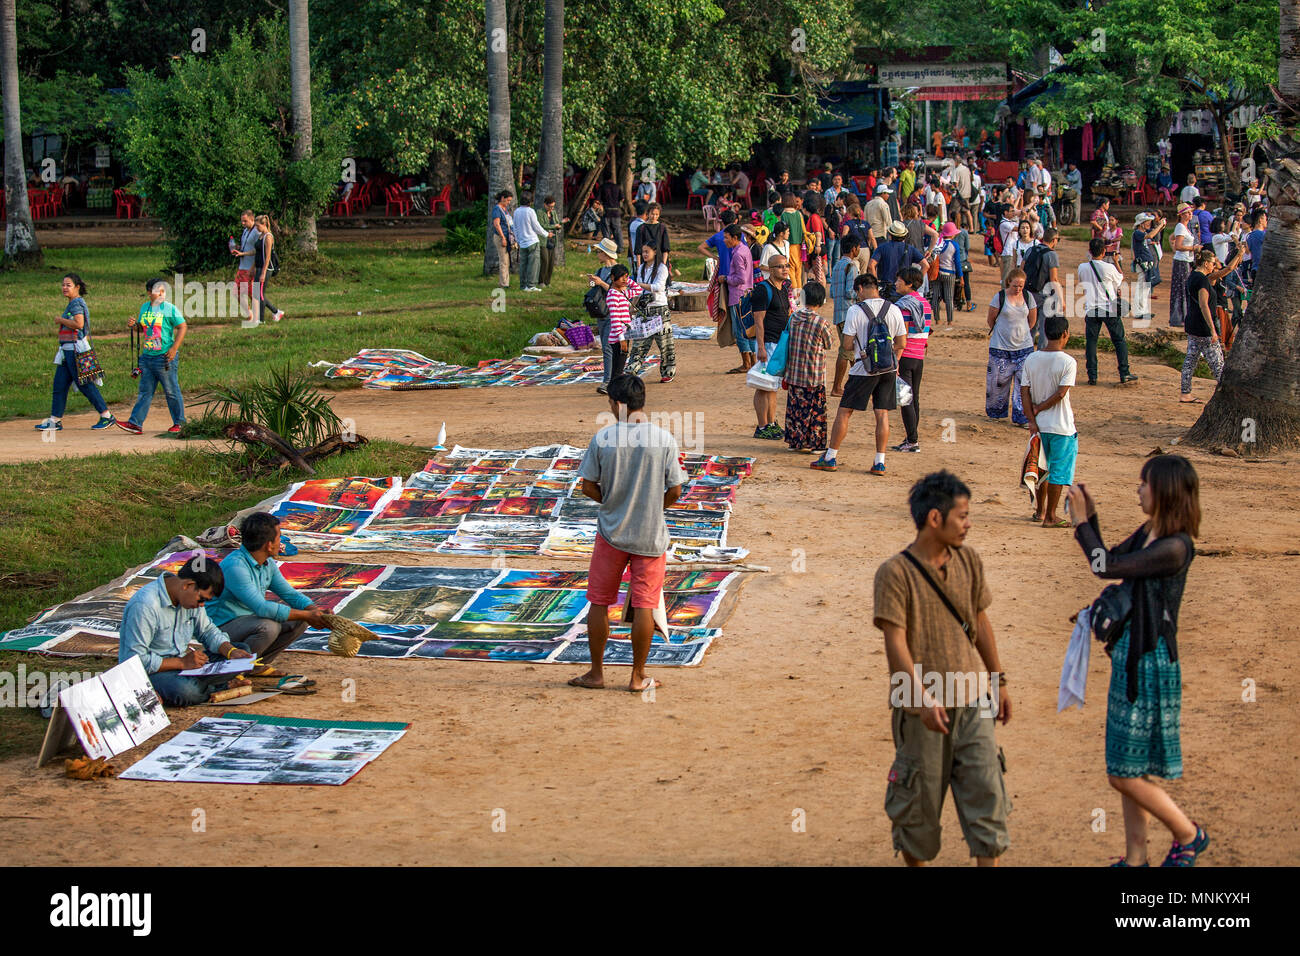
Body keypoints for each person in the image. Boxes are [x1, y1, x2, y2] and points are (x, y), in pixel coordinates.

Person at [1065, 455, 1208, 867]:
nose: (1139, 489)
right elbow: (1110, 559)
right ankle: (1135, 859)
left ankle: (1187, 833)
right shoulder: (1150, 534)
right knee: (1132, 766)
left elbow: (1103, 566)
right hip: (1131, 656)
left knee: (1121, 773)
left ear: (1164, 490)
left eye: (1144, 483)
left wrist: (1079, 525)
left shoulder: (1175, 547)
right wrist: (1091, 518)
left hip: (1150, 662)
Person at [874, 470, 1011, 866]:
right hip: (919, 710)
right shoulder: (894, 573)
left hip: (973, 704)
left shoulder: (970, 561)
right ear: (935, 518)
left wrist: (998, 680)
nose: (969, 524)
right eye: (963, 515)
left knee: (988, 803)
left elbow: (980, 621)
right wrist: (921, 697)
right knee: (916, 812)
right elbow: (895, 643)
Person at [568, 374, 687, 694]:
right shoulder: (664, 440)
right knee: (646, 604)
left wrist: (614, 501)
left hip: (611, 533)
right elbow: (675, 489)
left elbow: (589, 486)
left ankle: (596, 673)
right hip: (650, 534)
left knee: (599, 602)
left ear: (618, 404)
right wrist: (653, 506)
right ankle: (637, 676)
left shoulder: (603, 439)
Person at [118, 555, 255, 706]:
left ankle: (205, 686)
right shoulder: (145, 605)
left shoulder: (190, 600)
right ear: (187, 585)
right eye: (201, 599)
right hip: (154, 672)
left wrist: (230, 651)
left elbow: (207, 631)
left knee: (242, 651)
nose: (202, 606)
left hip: (184, 667)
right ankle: (218, 687)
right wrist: (181, 663)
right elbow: (133, 661)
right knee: (185, 691)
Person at [206, 512, 330, 677]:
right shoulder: (235, 567)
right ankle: (233, 670)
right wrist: (309, 614)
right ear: (269, 545)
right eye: (279, 537)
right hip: (222, 627)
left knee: (301, 620)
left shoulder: (267, 563)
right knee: (269, 627)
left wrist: (314, 612)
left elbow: (289, 594)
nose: (281, 542)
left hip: (247, 621)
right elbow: (262, 608)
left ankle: (255, 665)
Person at [811, 273, 907, 475]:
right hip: (888, 368)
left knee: (845, 412)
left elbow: (846, 344)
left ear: (861, 288)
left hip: (863, 369)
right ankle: (879, 461)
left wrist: (861, 354)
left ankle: (831, 456)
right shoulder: (894, 309)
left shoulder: (855, 310)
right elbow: (901, 343)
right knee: (882, 414)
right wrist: (889, 357)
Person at [36, 274, 117, 433]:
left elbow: (79, 324)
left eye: (68, 285)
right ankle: (55, 420)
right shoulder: (75, 303)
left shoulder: (75, 304)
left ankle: (106, 415)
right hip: (67, 352)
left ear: (77, 287)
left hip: (74, 351)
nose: (64, 288)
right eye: (63, 285)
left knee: (85, 384)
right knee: (59, 385)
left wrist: (60, 320)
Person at [1019, 314, 1077, 526]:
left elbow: (1024, 392)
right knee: (1058, 472)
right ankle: (1051, 516)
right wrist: (1040, 407)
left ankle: (1041, 511)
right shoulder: (1068, 362)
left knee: (1041, 468)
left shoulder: (1031, 359)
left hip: (1039, 425)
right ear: (1065, 334)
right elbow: (1061, 393)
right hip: (1062, 426)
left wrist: (1032, 419)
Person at [117, 278, 187, 435]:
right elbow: (143, 329)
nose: (161, 294)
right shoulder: (145, 307)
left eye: (163, 290)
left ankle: (180, 423)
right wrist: (135, 325)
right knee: (145, 391)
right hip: (147, 357)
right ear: (149, 293)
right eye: (157, 291)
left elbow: (182, 326)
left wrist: (174, 348)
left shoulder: (169, 309)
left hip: (164, 357)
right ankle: (135, 423)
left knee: (171, 391)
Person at [782, 281, 835, 453]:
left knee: (795, 409)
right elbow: (829, 344)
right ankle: (815, 443)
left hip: (794, 373)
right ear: (821, 301)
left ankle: (795, 441)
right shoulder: (821, 322)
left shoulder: (794, 317)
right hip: (814, 374)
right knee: (815, 410)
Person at [1078, 237, 1137, 386]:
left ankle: (1092, 375)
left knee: (1091, 342)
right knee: (1119, 340)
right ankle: (1124, 372)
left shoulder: (1082, 267)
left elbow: (1082, 281)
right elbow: (1119, 280)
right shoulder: (1109, 268)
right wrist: (1116, 261)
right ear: (1104, 251)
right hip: (1108, 308)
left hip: (1091, 308)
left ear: (1089, 251)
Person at [1179, 248, 1235, 403]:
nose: (1214, 265)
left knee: (1190, 359)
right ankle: (1227, 395)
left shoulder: (1193, 276)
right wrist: (1212, 329)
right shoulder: (1202, 280)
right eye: (1212, 263)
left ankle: (1185, 392)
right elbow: (1204, 305)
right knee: (1217, 362)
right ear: (1205, 263)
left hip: (1192, 323)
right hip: (1203, 326)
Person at [985, 269, 1039, 426]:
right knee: (998, 382)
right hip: (1000, 347)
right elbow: (991, 319)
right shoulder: (999, 297)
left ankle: (1022, 416)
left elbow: (1032, 320)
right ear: (1009, 282)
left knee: (1024, 384)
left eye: (1021, 286)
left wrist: (1022, 333)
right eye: (1015, 285)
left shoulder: (1028, 298)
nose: (1018, 289)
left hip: (1024, 348)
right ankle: (996, 413)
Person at [751, 252, 793, 439]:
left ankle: (771, 422)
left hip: (780, 343)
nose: (785, 269)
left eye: (786, 266)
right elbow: (758, 321)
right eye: (780, 266)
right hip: (767, 342)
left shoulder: (784, 288)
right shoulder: (762, 289)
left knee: (773, 385)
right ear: (770, 269)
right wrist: (760, 347)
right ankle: (762, 426)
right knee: (763, 385)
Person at [893, 267, 931, 453]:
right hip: (919, 356)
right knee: (914, 397)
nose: (895, 283)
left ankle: (912, 440)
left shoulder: (903, 305)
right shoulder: (925, 303)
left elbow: (903, 335)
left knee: (905, 399)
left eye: (899, 280)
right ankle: (911, 437)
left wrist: (896, 361)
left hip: (906, 356)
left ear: (909, 284)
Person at [627, 243, 677, 384]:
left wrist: (639, 285)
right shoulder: (642, 268)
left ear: (655, 252)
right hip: (644, 308)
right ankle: (632, 368)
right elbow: (638, 290)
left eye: (647, 252)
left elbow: (658, 287)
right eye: (643, 252)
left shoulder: (662, 268)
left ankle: (668, 371)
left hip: (659, 309)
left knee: (665, 343)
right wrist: (633, 305)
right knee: (639, 342)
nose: (644, 255)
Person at [585, 238, 621, 394]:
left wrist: (600, 283)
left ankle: (608, 382)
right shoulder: (601, 271)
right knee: (608, 348)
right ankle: (612, 379)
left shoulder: (619, 271)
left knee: (608, 347)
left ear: (606, 254)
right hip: (601, 312)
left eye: (599, 251)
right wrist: (593, 282)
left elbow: (619, 291)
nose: (597, 254)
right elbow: (598, 289)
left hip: (613, 313)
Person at [721, 222, 756, 375]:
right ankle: (753, 361)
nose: (724, 240)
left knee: (740, 331)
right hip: (747, 293)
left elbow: (740, 278)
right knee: (748, 328)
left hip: (738, 295)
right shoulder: (745, 249)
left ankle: (746, 363)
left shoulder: (737, 254)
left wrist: (726, 279)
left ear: (735, 238)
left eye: (726, 237)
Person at [603, 265, 640, 387]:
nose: (624, 280)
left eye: (626, 277)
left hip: (624, 334)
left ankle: (612, 389)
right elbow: (615, 319)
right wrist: (622, 340)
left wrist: (626, 279)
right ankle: (614, 390)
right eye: (621, 278)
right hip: (618, 337)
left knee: (619, 367)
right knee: (618, 369)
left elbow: (638, 290)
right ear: (613, 277)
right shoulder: (613, 295)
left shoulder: (622, 292)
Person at [871, 221, 926, 300]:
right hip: (905, 289)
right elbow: (926, 265)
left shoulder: (882, 247)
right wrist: (915, 281)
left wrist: (876, 283)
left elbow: (871, 265)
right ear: (904, 236)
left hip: (887, 289)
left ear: (890, 235)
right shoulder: (910, 248)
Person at [512, 191, 550, 292]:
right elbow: (536, 226)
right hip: (532, 241)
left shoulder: (516, 211)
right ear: (530, 201)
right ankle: (531, 285)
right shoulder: (530, 211)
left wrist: (517, 239)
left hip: (522, 242)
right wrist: (546, 234)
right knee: (533, 265)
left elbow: (514, 227)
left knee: (523, 265)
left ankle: (523, 285)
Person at [1169, 203, 1199, 327]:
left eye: (1190, 212)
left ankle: (1182, 316)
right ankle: (1178, 317)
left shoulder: (1185, 227)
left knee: (1184, 288)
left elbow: (1172, 238)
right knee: (1181, 288)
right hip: (1182, 261)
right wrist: (1193, 248)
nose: (1190, 214)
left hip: (1186, 260)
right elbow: (1178, 245)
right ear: (1181, 215)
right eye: (1187, 212)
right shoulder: (1180, 227)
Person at [928, 222, 963, 327]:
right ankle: (950, 320)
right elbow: (957, 262)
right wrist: (961, 277)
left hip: (936, 273)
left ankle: (937, 319)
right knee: (948, 298)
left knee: (935, 297)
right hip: (949, 273)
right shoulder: (954, 245)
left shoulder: (938, 244)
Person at [230, 209, 257, 315]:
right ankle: (250, 312)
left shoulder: (256, 232)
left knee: (251, 293)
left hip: (250, 267)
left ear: (252, 219)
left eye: (245, 221)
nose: (243, 223)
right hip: (242, 266)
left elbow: (258, 250)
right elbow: (246, 247)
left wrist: (254, 267)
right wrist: (238, 248)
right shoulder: (245, 230)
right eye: (242, 221)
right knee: (236, 292)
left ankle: (257, 314)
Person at [537, 195, 569, 287]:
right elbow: (542, 225)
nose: (551, 208)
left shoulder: (553, 213)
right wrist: (554, 226)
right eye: (550, 206)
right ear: (545, 205)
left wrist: (561, 223)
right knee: (545, 260)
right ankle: (541, 281)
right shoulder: (540, 212)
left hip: (552, 240)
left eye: (553, 206)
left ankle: (547, 281)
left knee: (551, 262)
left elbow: (556, 223)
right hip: (543, 240)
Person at [829, 237, 860, 329]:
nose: (859, 250)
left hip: (838, 316)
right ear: (853, 249)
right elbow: (850, 292)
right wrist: (861, 294)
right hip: (849, 314)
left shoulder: (836, 266)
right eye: (858, 247)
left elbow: (831, 293)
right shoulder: (851, 267)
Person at [634, 202, 671, 275]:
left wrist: (663, 264)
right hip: (645, 261)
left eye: (657, 214)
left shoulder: (662, 228)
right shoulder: (641, 228)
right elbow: (638, 249)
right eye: (652, 214)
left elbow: (665, 248)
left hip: (660, 260)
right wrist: (639, 266)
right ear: (648, 213)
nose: (654, 216)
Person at [490, 190, 515, 289]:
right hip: (501, 237)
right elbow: (497, 224)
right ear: (502, 198)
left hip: (507, 236)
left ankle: (504, 281)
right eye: (508, 200)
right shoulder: (497, 209)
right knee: (504, 260)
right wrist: (503, 238)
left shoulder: (504, 209)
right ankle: (504, 283)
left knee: (506, 260)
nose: (509, 203)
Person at [598, 175, 623, 252]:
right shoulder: (617, 187)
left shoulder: (602, 187)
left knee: (606, 232)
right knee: (617, 231)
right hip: (616, 213)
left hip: (606, 212)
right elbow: (622, 198)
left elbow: (598, 200)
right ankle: (620, 249)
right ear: (612, 179)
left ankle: (607, 249)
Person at [1244, 209, 1266, 285]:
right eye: (1266, 219)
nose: (1267, 222)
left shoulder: (1250, 236)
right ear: (1261, 219)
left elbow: (1248, 251)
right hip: (1263, 270)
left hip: (1255, 268)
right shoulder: (1262, 235)